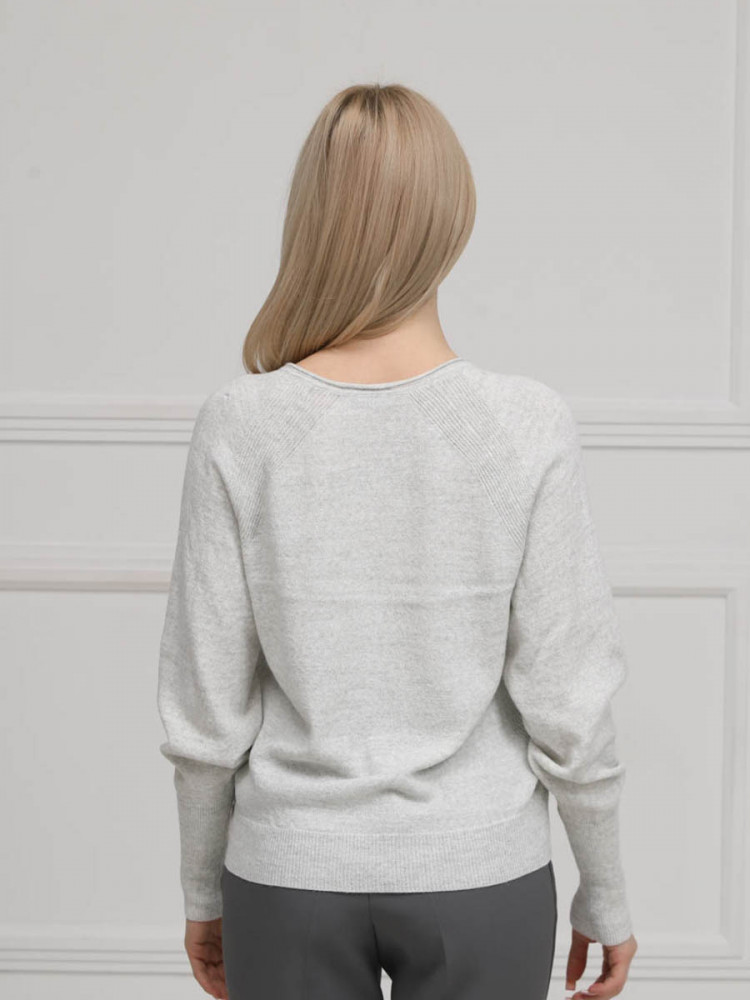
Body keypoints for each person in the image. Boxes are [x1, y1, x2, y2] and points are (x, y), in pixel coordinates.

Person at [157, 82, 638, 1000]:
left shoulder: (241, 423)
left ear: (312, 215)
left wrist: (201, 889)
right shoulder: (523, 423)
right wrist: (605, 892)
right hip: (480, 872)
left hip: (287, 873)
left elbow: (204, 706)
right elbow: (569, 701)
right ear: (451, 220)